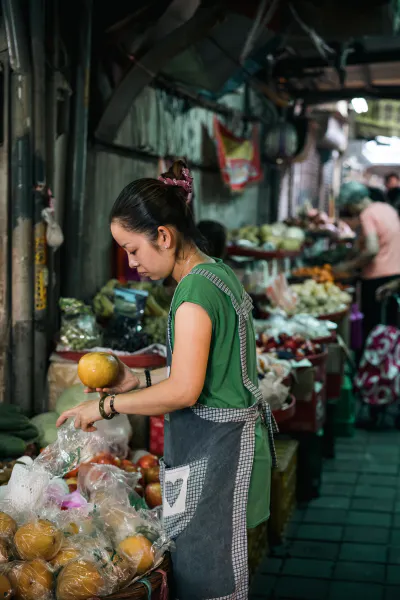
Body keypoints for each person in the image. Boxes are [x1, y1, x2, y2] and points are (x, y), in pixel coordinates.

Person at [56, 159, 276, 598]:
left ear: (163, 235)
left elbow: (184, 390)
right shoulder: (216, 275)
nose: (131, 262)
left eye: (133, 250)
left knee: (207, 578)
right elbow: (201, 368)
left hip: (218, 453)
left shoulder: (194, 293)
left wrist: (102, 407)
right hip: (219, 447)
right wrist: (136, 381)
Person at [334, 181, 400, 343]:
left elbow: (371, 249)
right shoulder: (387, 208)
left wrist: (346, 267)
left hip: (376, 280)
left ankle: (369, 365)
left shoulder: (367, 214)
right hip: (395, 278)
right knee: (390, 330)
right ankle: (388, 364)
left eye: (348, 207)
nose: (350, 212)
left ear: (354, 202)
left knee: (372, 330)